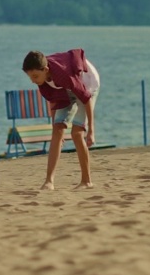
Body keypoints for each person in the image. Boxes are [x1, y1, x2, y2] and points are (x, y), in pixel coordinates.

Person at [21, 49, 100, 190]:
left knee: (77, 133)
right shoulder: (43, 80)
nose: (33, 81)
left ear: (45, 69)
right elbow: (53, 101)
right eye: (30, 78)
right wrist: (55, 127)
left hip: (88, 84)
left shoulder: (64, 75)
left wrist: (91, 131)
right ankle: (49, 181)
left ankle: (86, 181)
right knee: (57, 131)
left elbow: (86, 98)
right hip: (67, 89)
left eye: (35, 76)